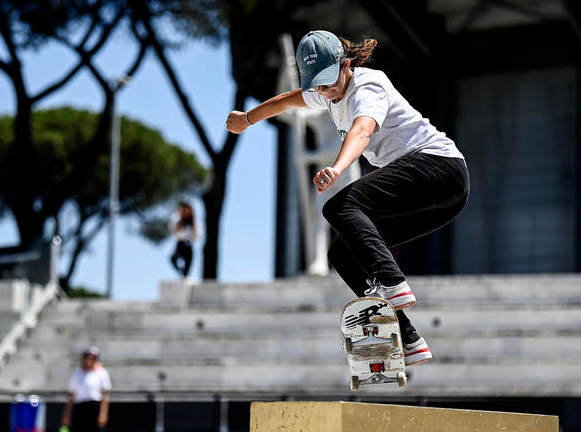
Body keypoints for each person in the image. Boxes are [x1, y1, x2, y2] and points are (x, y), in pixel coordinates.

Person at [225, 30, 469, 367]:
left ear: (347, 64)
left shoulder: (367, 86)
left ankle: (392, 283)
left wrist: (338, 167)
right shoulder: (322, 92)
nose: (325, 91)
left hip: (439, 167)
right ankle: (408, 338)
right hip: (440, 198)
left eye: (329, 81)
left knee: (341, 207)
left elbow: (362, 131)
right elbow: (288, 100)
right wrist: (247, 119)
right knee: (342, 252)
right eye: (318, 85)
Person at [61, 346, 111, 432]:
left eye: (92, 358)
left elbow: (105, 396)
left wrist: (103, 413)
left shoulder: (101, 373)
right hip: (80, 407)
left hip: (95, 407)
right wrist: (67, 414)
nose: (89, 360)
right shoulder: (77, 373)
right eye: (87, 357)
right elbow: (72, 396)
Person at [169, 201, 198, 278]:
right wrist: (181, 220)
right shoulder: (177, 219)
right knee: (173, 258)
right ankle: (180, 271)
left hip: (188, 243)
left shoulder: (192, 221)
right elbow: (174, 231)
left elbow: (196, 235)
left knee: (189, 262)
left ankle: (185, 275)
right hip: (180, 243)